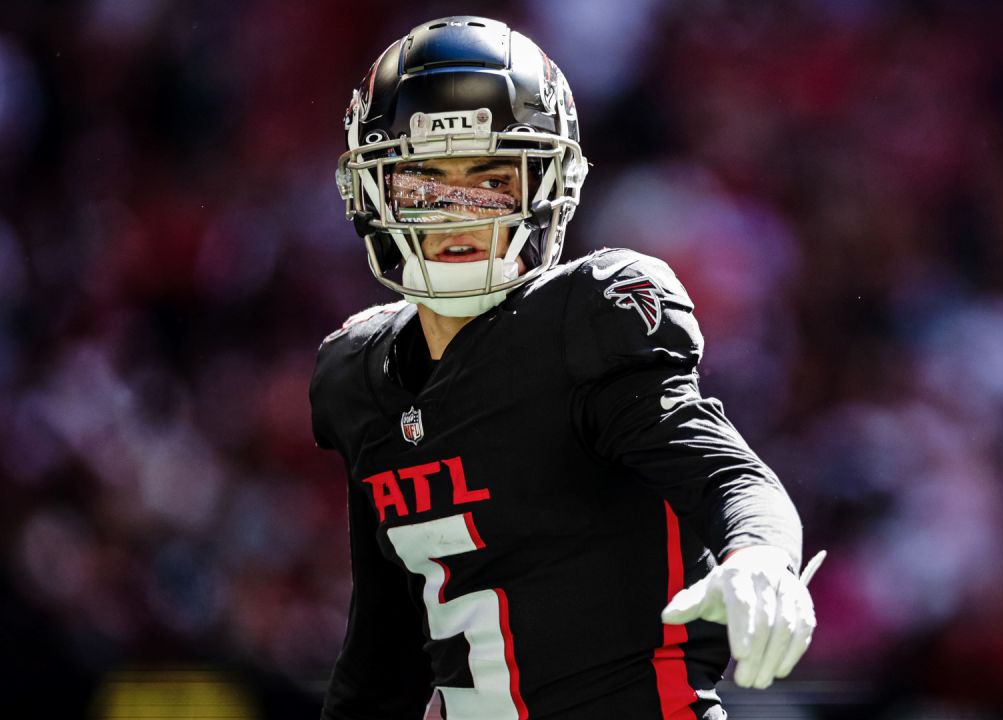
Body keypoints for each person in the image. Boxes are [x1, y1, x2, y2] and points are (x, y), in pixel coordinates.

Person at [311, 15, 821, 720]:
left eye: (491, 182)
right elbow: (382, 661)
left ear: (551, 184)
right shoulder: (356, 376)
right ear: (370, 193)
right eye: (426, 184)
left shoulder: (585, 323)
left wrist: (760, 556)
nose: (460, 216)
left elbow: (729, 476)